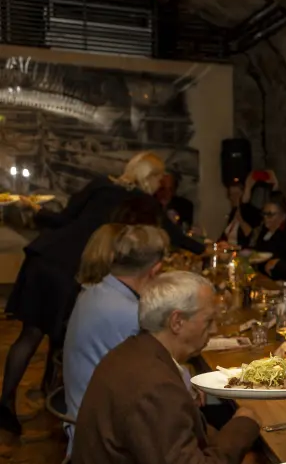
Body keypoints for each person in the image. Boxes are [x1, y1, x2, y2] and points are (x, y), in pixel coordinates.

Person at [0, 151, 204, 436]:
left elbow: (63, 218)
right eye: (159, 178)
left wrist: (36, 212)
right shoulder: (143, 202)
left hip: (44, 255)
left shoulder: (100, 184)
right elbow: (177, 237)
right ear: (151, 177)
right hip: (68, 266)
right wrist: (205, 248)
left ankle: (8, 401)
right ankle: (53, 394)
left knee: (31, 334)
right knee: (58, 333)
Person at [68, 271, 258, 464]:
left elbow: (182, 437)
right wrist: (243, 426)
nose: (214, 330)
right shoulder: (154, 386)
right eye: (208, 321)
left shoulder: (133, 353)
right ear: (177, 321)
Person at [63, 224, 168, 451]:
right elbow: (163, 382)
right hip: (101, 441)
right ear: (154, 270)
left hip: (85, 419)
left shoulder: (95, 291)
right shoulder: (128, 312)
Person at [250, 194, 286, 278]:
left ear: (283, 216)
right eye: (264, 214)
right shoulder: (264, 231)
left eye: (270, 214)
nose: (265, 218)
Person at [219, 176, 261, 246]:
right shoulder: (233, 212)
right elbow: (225, 235)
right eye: (231, 195)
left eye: (236, 194)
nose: (233, 197)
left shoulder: (252, 212)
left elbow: (252, 236)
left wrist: (241, 220)